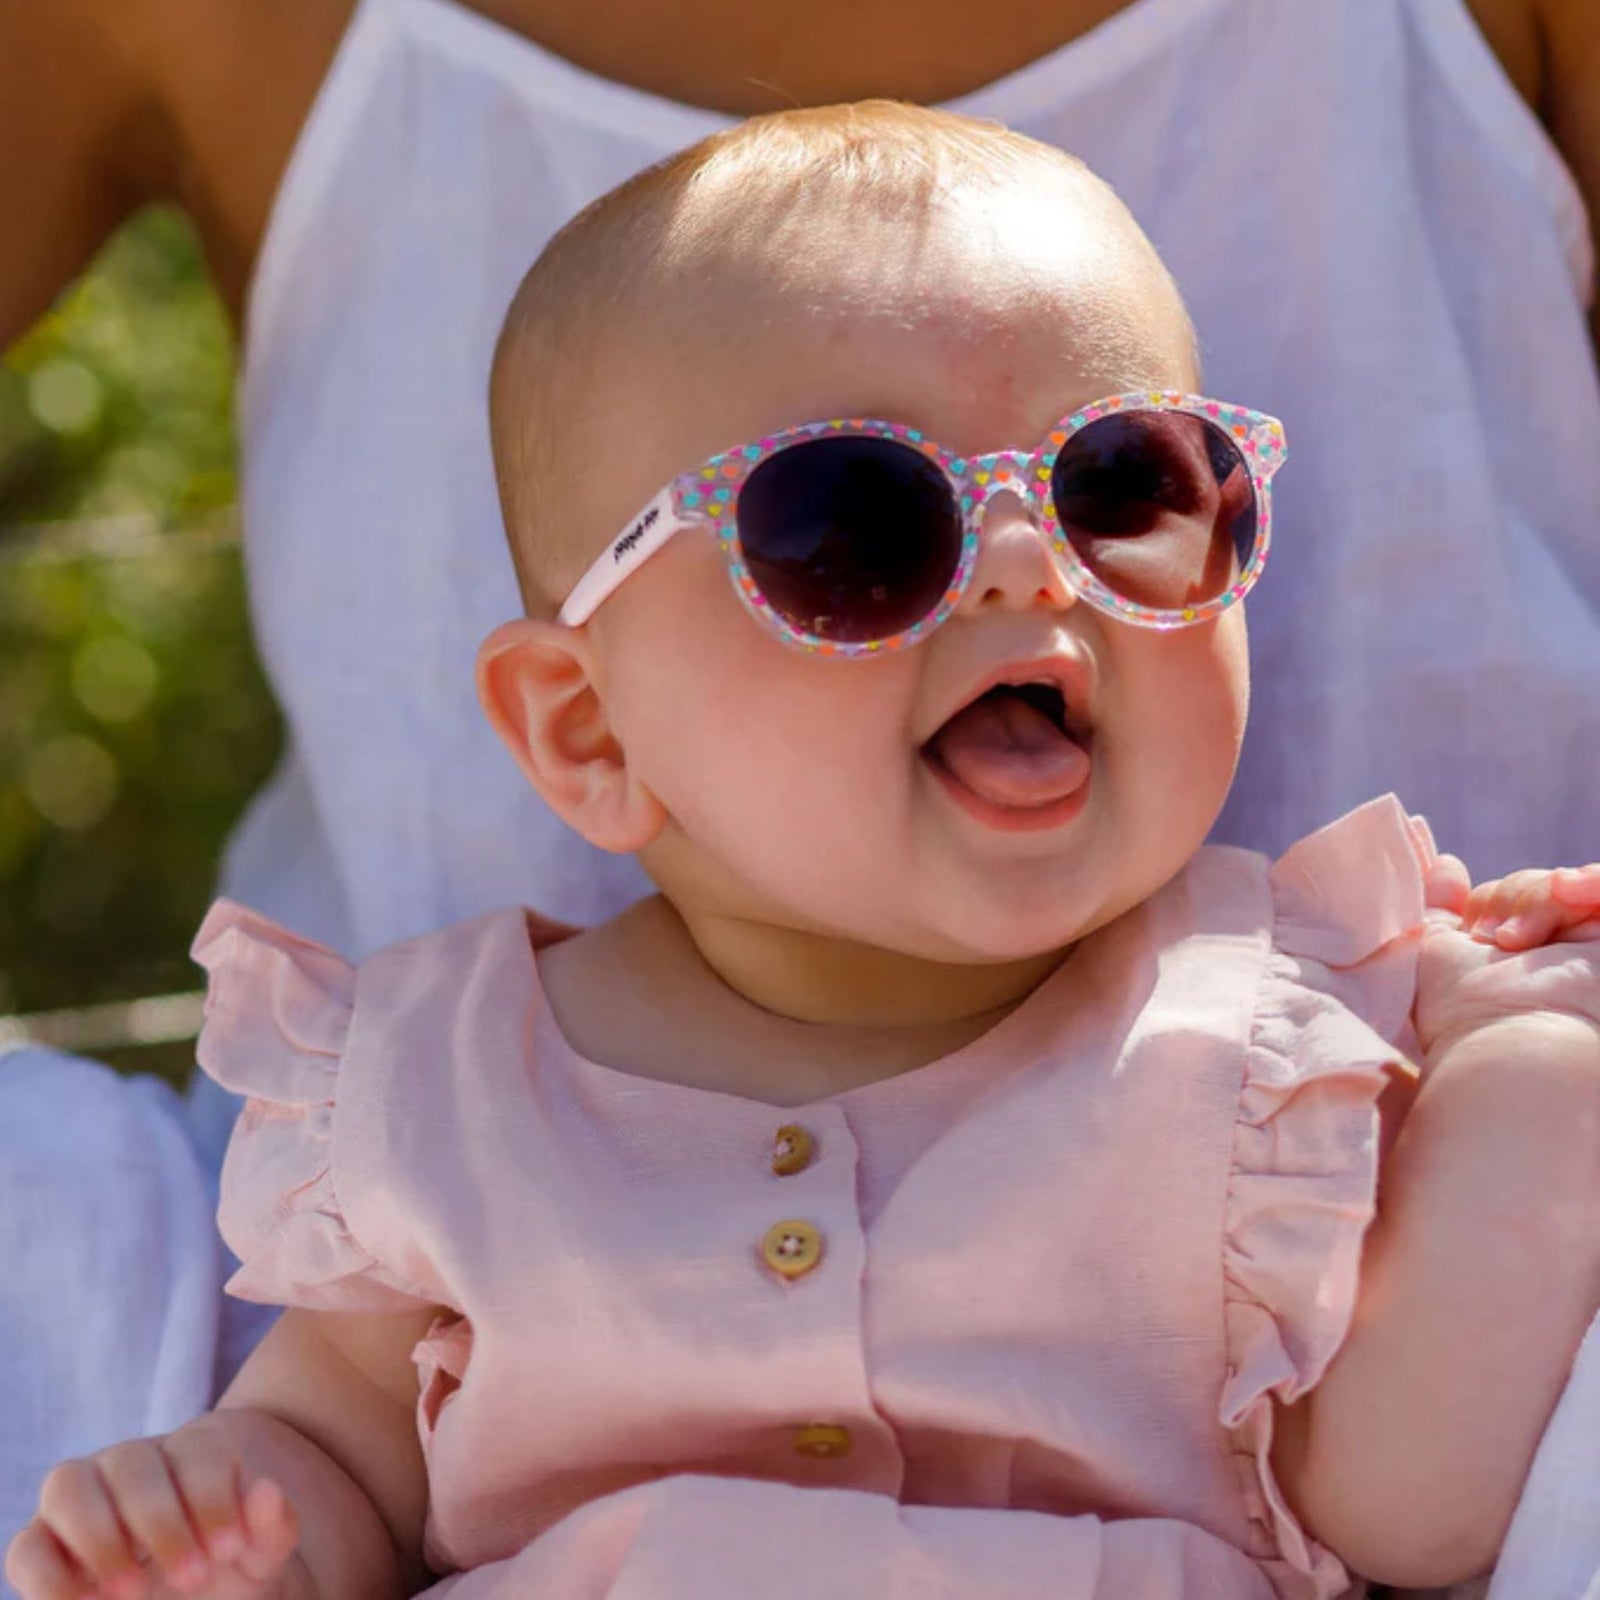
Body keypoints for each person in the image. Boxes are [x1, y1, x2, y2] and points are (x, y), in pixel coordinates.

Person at [3, 0, 1600, 1590]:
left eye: (1121, 484)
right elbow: (342, 1458)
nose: (1033, 566)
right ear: (587, 731)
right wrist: (234, 1529)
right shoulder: (441, 1086)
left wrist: (1533, 1088)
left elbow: (1415, 1506)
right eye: (851, 527)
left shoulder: (1291, 1048)